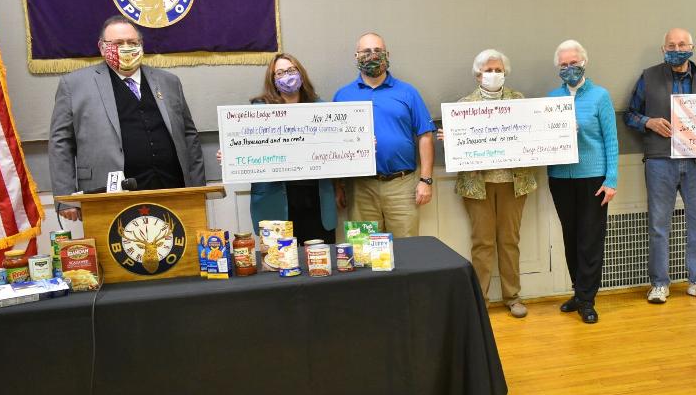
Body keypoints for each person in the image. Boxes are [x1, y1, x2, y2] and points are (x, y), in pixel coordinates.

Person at [48, 16, 205, 220]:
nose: (126, 48)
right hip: (109, 195)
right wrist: (65, 197)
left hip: (173, 189)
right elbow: (61, 142)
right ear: (102, 47)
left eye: (132, 42)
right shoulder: (74, 85)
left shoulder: (169, 81)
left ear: (141, 45)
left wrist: (198, 188)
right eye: (118, 43)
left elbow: (189, 135)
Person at [440, 49, 537, 317]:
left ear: (505, 73)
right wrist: (452, 141)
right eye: (488, 70)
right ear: (477, 75)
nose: (493, 74)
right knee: (482, 242)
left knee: (509, 240)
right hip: (477, 185)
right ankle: (480, 299)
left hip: (514, 183)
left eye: (498, 70)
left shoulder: (519, 101)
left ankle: (512, 296)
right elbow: (458, 149)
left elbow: (535, 134)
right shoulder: (463, 106)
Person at [625, 28, 696, 304]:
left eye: (682, 44)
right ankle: (659, 284)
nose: (676, 49)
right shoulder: (648, 76)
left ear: (692, 47)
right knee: (658, 225)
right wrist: (649, 122)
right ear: (663, 49)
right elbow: (630, 114)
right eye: (671, 45)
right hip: (660, 160)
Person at [218, 54, 337, 244]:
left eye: (291, 70)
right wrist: (230, 155)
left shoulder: (321, 108)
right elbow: (246, 146)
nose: (287, 76)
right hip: (275, 201)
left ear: (301, 73)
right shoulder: (258, 110)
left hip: (315, 200)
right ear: (272, 79)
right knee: (278, 260)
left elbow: (338, 146)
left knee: (317, 259)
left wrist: (361, 144)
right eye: (280, 73)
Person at [333, 32, 436, 238]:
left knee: (406, 249)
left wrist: (426, 180)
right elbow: (334, 143)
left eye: (378, 50)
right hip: (360, 188)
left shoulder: (408, 92)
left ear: (387, 54)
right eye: (366, 51)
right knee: (363, 248)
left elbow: (425, 136)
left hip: (402, 186)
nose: (372, 55)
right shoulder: (342, 96)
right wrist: (338, 186)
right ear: (356, 56)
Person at [548, 39, 618, 324]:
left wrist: (611, 179)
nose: (569, 68)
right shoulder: (552, 99)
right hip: (560, 178)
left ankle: (588, 300)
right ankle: (578, 292)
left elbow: (611, 139)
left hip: (593, 178)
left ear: (584, 63)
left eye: (573, 63)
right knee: (571, 237)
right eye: (563, 64)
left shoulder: (600, 96)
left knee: (590, 240)